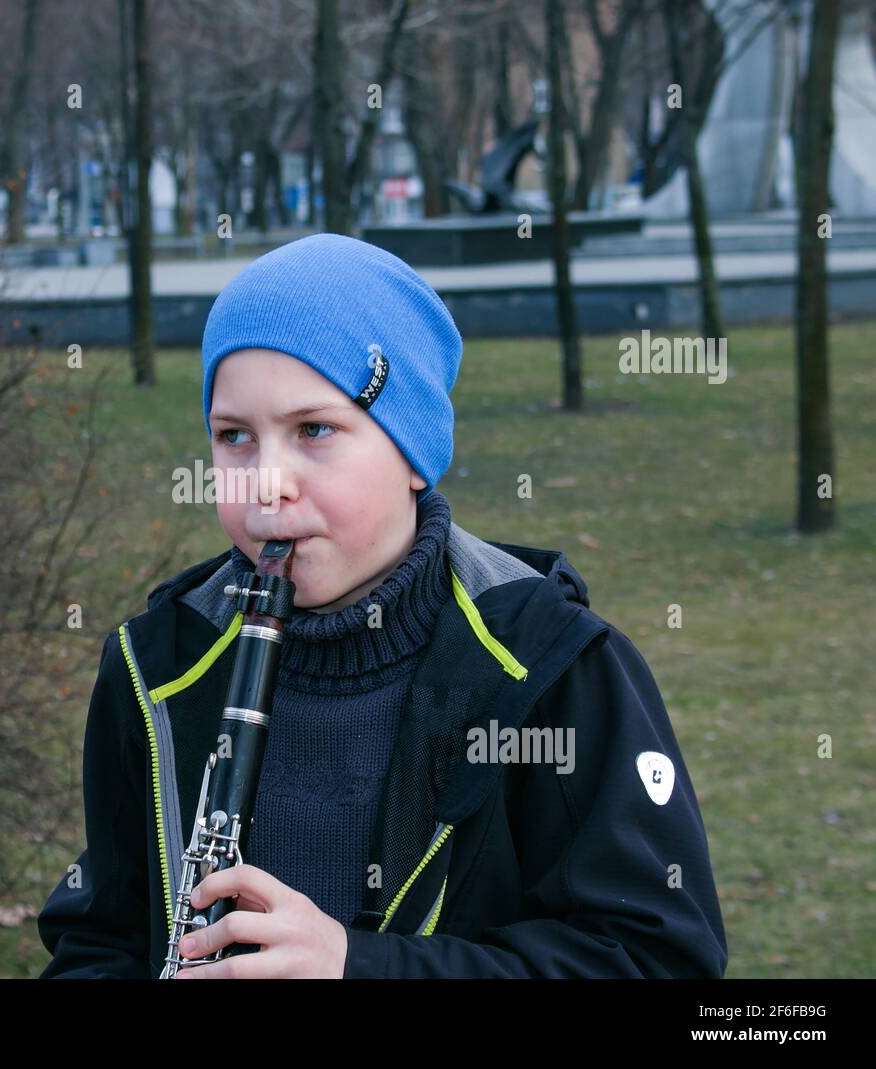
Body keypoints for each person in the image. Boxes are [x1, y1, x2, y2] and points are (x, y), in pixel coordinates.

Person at [36, 233, 728, 979]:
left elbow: (660, 958)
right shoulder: (159, 664)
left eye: (314, 430)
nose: (266, 482)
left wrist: (357, 966)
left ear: (411, 452)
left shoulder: (555, 664)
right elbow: (101, 940)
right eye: (234, 437)